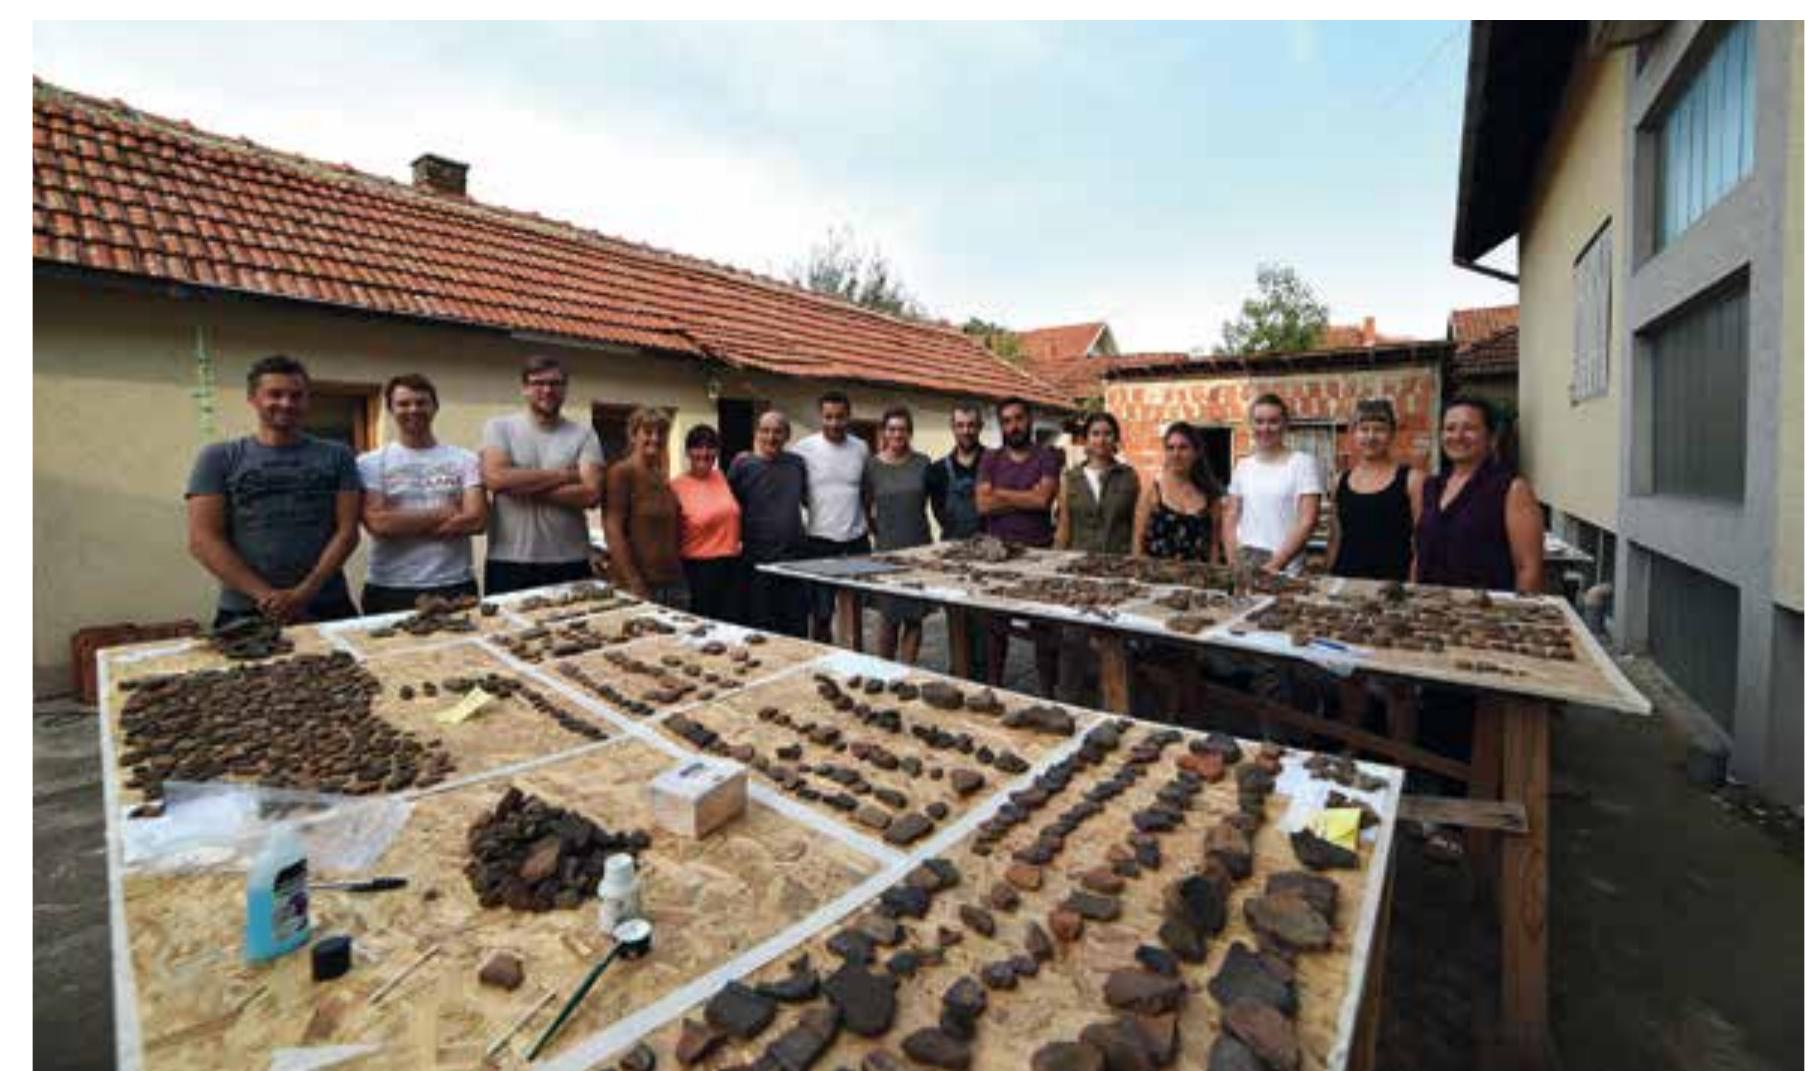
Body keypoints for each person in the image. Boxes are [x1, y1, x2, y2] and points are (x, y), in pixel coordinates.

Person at [185, 354, 363, 627]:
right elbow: (204, 539)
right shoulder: (219, 457)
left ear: (307, 400)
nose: (286, 403)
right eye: (275, 394)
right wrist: (267, 597)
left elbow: (347, 532)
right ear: (253, 399)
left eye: (296, 395)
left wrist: (304, 593)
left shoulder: (338, 455)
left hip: (327, 603)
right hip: (245, 609)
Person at [356, 374, 488, 614]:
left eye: (421, 402)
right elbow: (379, 524)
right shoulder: (369, 463)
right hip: (390, 586)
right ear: (390, 409)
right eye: (404, 404)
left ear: (435, 407)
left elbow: (477, 520)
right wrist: (446, 513)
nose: (413, 409)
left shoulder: (465, 459)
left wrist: (402, 521)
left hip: (454, 583)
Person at [479, 355, 606, 596]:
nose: (547, 390)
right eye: (538, 383)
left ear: (565, 388)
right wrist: (564, 475)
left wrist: (519, 485)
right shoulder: (499, 428)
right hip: (509, 559)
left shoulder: (584, 434)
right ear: (525, 388)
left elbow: (590, 494)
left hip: (570, 559)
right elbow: (496, 479)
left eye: (555, 383)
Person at [977, 396, 1064, 693]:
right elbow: (983, 506)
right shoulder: (991, 458)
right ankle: (994, 689)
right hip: (998, 555)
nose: (1014, 426)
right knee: (994, 631)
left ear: (1030, 420)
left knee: (1043, 628)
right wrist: (1025, 496)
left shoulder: (1047, 457)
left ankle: (1048, 694)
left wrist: (1000, 493)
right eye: (1007, 421)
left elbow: (1043, 501)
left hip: (1038, 555)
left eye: (1019, 419)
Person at [1414, 397, 1544, 594]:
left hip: (1486, 616)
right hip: (1431, 612)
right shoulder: (1431, 487)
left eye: (1469, 428)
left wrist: (1518, 618)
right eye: (1450, 428)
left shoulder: (1511, 489)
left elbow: (1529, 569)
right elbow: (1420, 554)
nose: (1458, 436)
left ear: (1491, 437)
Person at [790, 390, 871, 642]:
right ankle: (824, 658)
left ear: (849, 417)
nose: (834, 423)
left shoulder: (861, 447)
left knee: (856, 611)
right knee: (821, 614)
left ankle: (855, 659)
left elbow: (866, 490)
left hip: (856, 541)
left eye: (840, 417)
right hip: (819, 541)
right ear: (820, 417)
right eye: (828, 417)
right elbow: (798, 491)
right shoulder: (803, 449)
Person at [730, 409, 811, 637]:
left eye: (777, 431)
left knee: (796, 628)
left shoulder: (797, 464)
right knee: (762, 629)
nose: (771, 437)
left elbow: (806, 501)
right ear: (756, 434)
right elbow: (730, 507)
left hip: (793, 561)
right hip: (757, 561)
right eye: (765, 431)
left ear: (787, 435)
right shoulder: (742, 465)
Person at [1222, 394, 1323, 575]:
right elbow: (1231, 516)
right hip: (1245, 566)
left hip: (1285, 570)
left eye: (1273, 422)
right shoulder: (1243, 466)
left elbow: (1307, 521)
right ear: (1251, 425)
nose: (1265, 428)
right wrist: (1233, 562)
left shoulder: (1302, 463)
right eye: (1259, 421)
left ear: (1285, 425)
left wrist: (1275, 565)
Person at [1327, 399, 1424, 582]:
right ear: (1353, 434)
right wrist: (1328, 577)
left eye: (1379, 429)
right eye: (1363, 429)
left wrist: (1413, 586)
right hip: (1345, 581)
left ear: (1392, 434)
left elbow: (1422, 543)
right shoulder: (1339, 481)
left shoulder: (1412, 480)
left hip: (1394, 585)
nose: (1371, 437)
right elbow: (1335, 538)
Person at [864, 407, 933, 663]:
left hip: (918, 547)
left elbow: (928, 501)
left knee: (914, 616)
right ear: (884, 432)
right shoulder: (871, 465)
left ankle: (907, 670)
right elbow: (865, 505)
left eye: (902, 429)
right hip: (887, 550)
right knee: (888, 615)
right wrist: (878, 531)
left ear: (910, 433)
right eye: (892, 429)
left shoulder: (923, 463)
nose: (897, 434)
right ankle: (884, 669)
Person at [604, 407, 687, 608]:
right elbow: (612, 529)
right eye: (648, 432)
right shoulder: (621, 473)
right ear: (633, 435)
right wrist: (634, 583)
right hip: (640, 585)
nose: (655, 438)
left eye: (661, 433)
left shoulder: (661, 476)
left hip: (672, 582)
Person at [671, 424, 744, 624]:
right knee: (702, 629)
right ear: (688, 452)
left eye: (710, 447)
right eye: (697, 447)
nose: (704, 453)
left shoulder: (721, 477)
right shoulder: (675, 487)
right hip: (697, 571)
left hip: (731, 567)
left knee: (731, 629)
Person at [1133, 422, 1223, 562]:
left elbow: (1214, 546)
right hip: (1157, 579)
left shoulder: (1210, 496)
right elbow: (1137, 542)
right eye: (1170, 448)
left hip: (1196, 580)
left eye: (1183, 448)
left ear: (1196, 452)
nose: (1176, 454)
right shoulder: (1152, 491)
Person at [1055, 411, 1141, 555]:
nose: (1101, 440)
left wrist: (1135, 560)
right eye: (1095, 434)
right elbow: (1064, 526)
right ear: (1086, 439)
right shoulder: (1071, 478)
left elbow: (1137, 527)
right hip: (1079, 563)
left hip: (1118, 562)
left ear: (1115, 439)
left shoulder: (1128, 477)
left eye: (1107, 434)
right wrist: (1055, 560)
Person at [925, 403, 986, 541]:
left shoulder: (995, 463)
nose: (966, 431)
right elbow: (938, 512)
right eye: (960, 425)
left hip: (989, 546)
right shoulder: (937, 470)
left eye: (971, 425)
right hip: (951, 547)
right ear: (952, 428)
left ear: (980, 427)